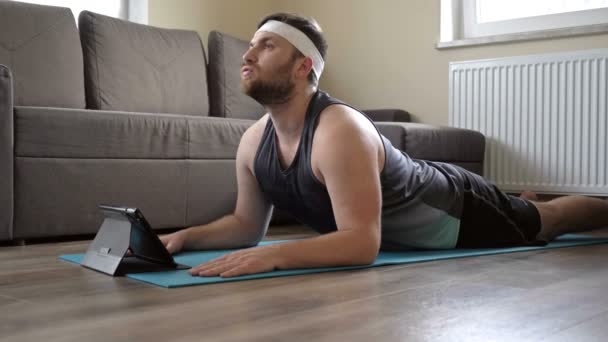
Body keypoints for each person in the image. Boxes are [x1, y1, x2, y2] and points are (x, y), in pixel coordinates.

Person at [161, 13, 608, 278]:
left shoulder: (339, 131)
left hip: (455, 208)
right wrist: (184, 237)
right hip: (420, 197)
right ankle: (519, 199)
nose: (248, 54)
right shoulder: (253, 141)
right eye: (251, 45)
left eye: (267, 45)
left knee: (546, 221)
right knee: (531, 210)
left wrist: (276, 257)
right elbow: (246, 225)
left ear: (303, 67)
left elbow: (361, 243)